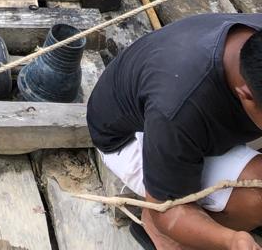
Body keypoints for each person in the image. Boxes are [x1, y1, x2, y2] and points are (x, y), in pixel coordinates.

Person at [87, 13, 262, 250]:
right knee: (257, 197)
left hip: (195, 121)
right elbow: (168, 210)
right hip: (134, 136)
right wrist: (231, 240)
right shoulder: (177, 109)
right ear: (247, 96)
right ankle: (162, 233)